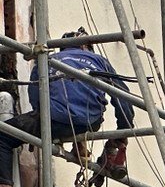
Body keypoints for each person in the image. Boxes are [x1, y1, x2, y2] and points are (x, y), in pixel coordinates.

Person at [0, 31, 133, 177]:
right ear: (85, 46)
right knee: (78, 113)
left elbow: (35, 93)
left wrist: (40, 126)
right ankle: (79, 144)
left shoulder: (48, 59)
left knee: (4, 135)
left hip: (54, 120)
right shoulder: (100, 61)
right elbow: (123, 97)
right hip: (91, 122)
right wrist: (123, 130)